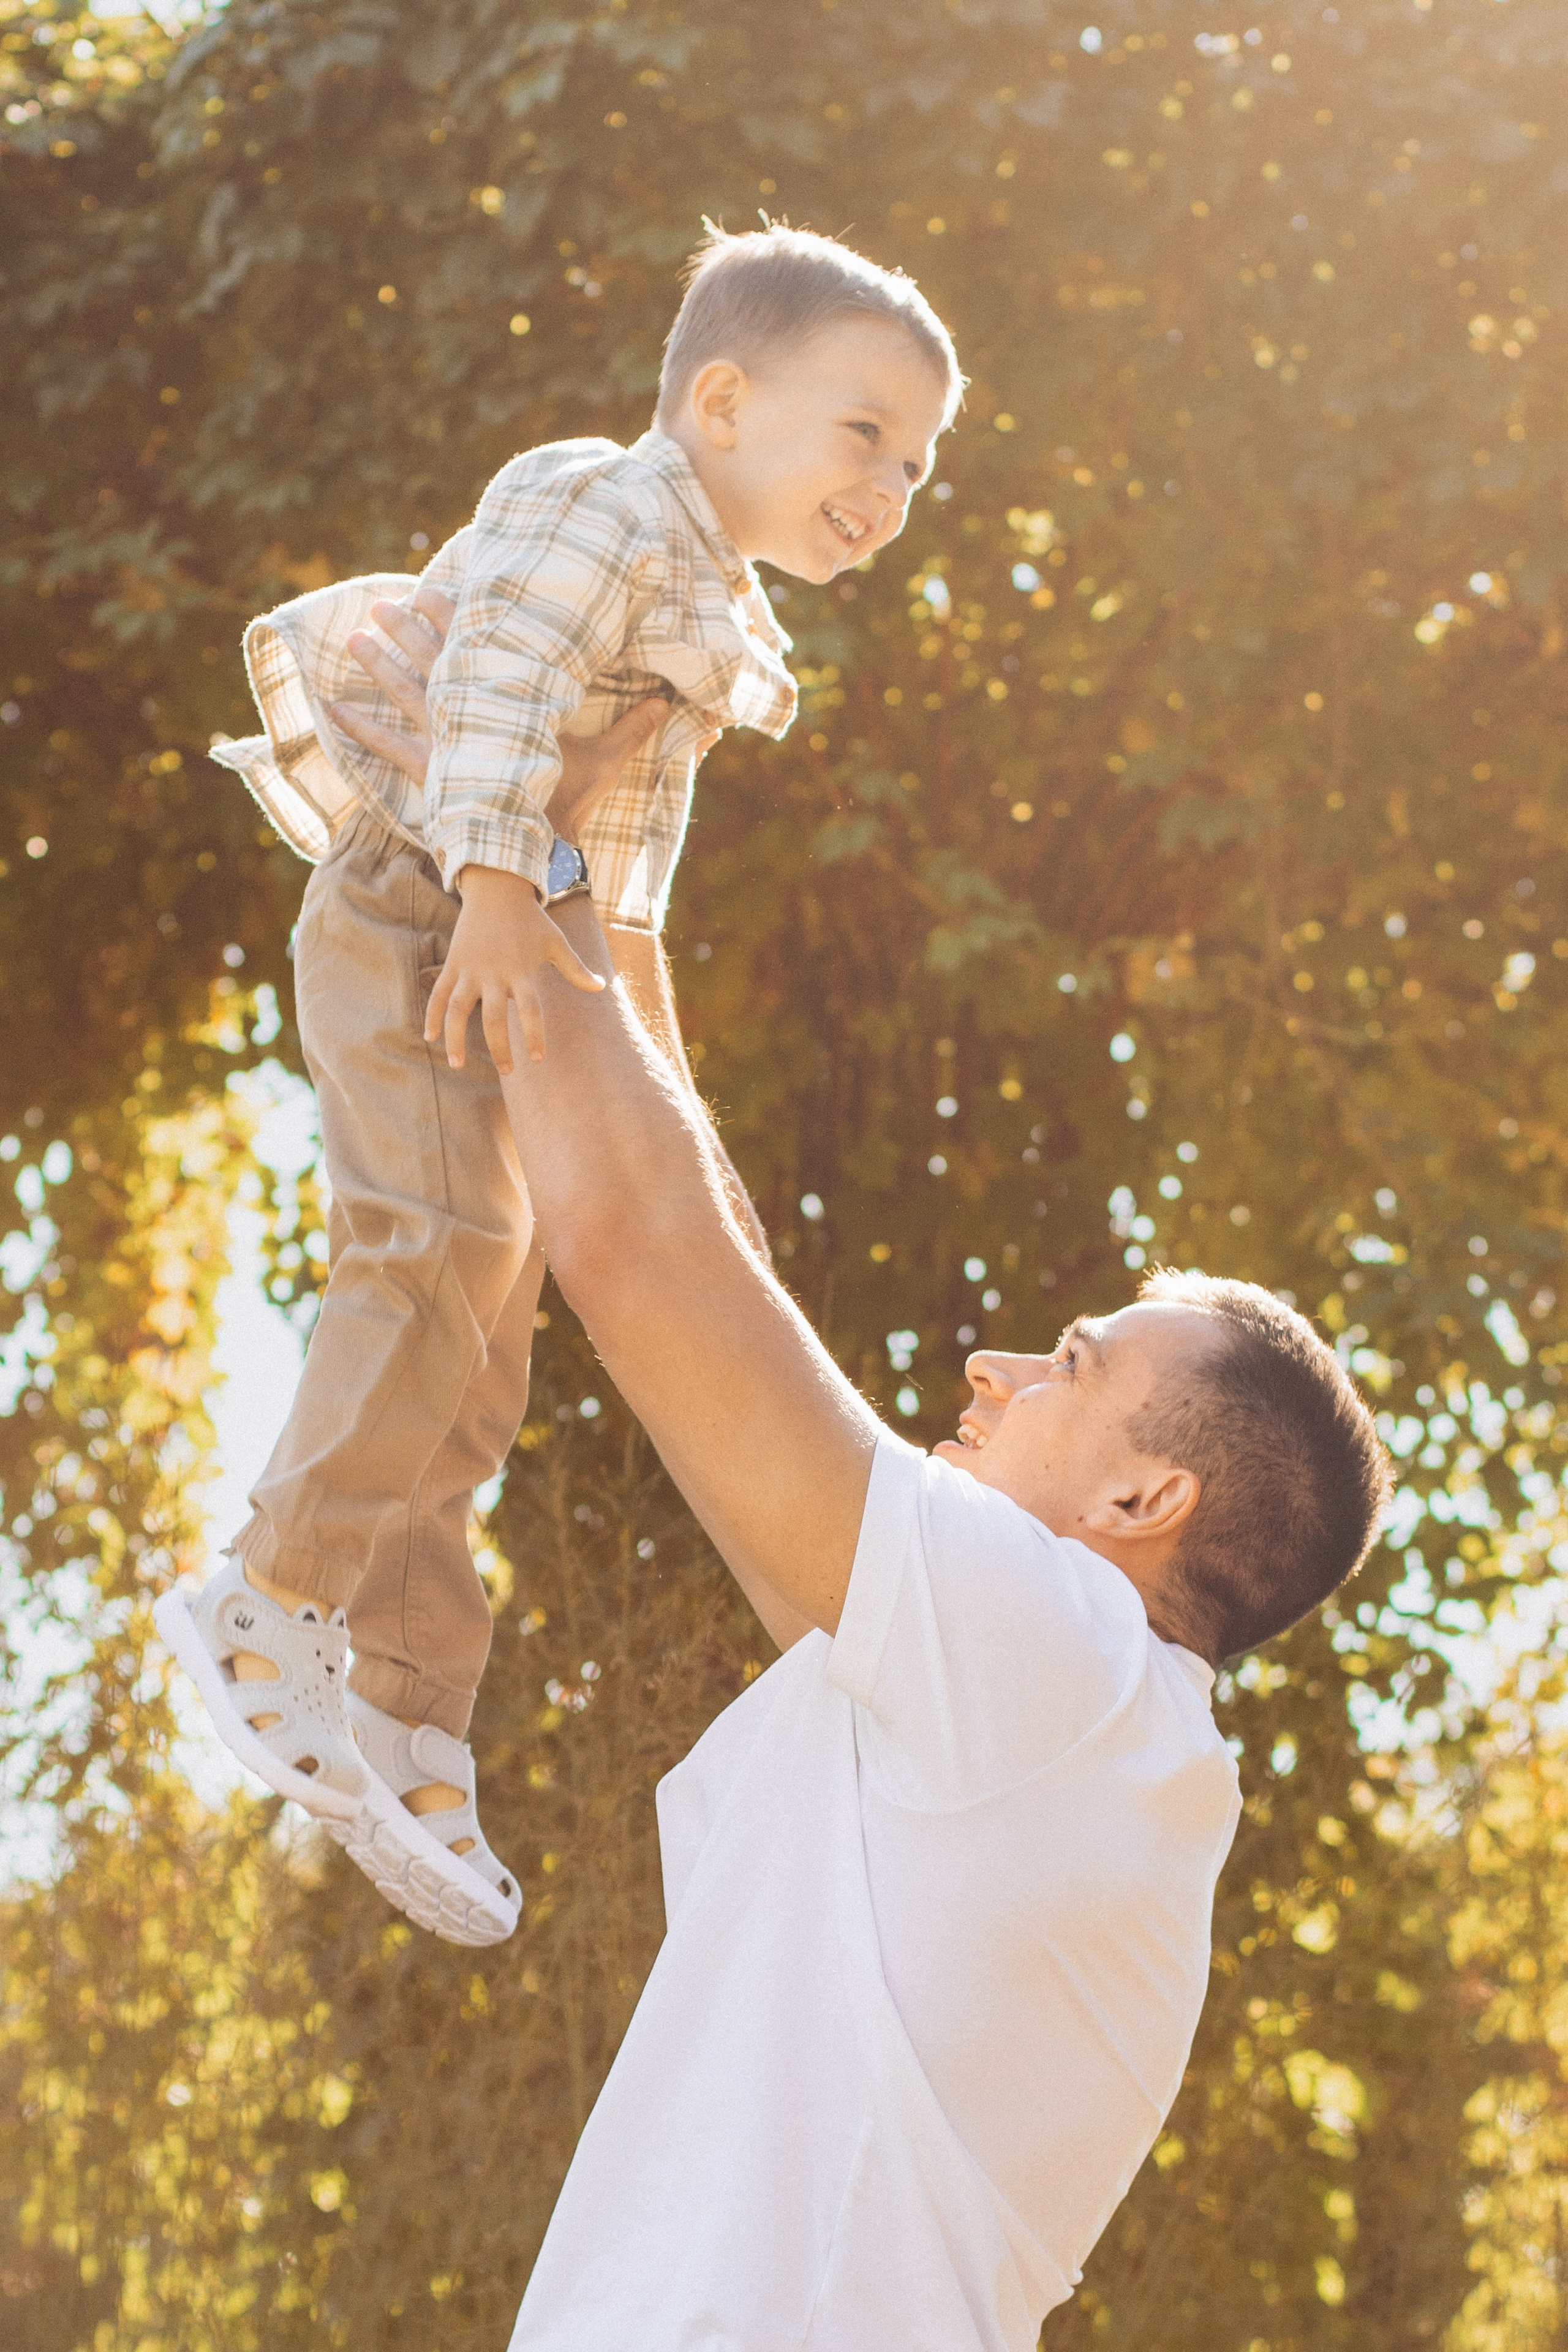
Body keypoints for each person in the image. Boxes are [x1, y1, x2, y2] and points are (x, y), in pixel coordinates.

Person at [328, 632, 1393, 2347]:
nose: (996, 1369)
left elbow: (641, 1258)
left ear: (1145, 1503)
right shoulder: (1039, 1723)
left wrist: (509, 832)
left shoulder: (1067, 1676)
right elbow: (720, 1269)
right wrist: (621, 885)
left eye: (1071, 1359)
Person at [155, 224, 962, 1948]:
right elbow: (500, 674)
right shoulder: (606, 502)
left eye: (920, 465)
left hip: (497, 916)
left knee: (484, 1318)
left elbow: (631, 871)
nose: (893, 485)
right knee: (433, 1251)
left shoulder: (714, 620)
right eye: (866, 434)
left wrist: (676, 1114)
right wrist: (502, 895)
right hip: (418, 904)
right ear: (725, 399)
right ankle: (269, 1598)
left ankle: (407, 1701)